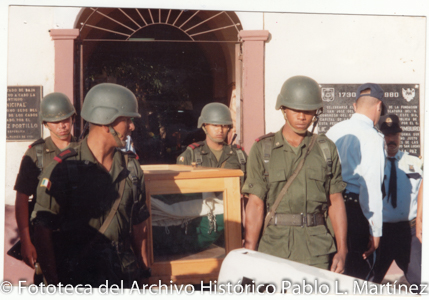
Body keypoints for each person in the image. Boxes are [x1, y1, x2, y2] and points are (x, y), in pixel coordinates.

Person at [31, 83, 150, 287]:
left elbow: (139, 226)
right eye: (127, 120)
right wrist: (53, 284)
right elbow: (43, 231)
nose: (132, 126)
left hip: (123, 277)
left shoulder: (132, 169)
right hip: (77, 278)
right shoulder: (63, 169)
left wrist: (146, 274)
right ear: (106, 123)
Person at [243, 75, 347, 273]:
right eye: (295, 110)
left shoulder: (326, 149)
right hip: (274, 247)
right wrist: (250, 251)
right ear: (283, 110)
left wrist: (342, 250)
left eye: (308, 111)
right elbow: (255, 204)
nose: (302, 117)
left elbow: (336, 201)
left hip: (316, 249)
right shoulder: (263, 149)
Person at [326, 83, 386, 280]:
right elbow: (371, 186)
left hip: (330, 208)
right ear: (378, 106)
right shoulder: (373, 137)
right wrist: (375, 230)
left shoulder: (333, 130)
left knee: (332, 273)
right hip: (355, 212)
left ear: (354, 106)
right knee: (357, 277)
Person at [13, 92, 78, 271]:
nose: (63, 125)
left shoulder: (83, 149)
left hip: (80, 237)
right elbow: (21, 200)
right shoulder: (36, 154)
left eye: (66, 119)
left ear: (73, 117)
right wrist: (26, 241)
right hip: (47, 237)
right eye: (55, 121)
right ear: (45, 123)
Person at [371, 114, 423, 287]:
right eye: (386, 135)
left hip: (409, 232)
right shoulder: (372, 164)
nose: (390, 140)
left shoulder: (415, 163)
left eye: (394, 135)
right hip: (381, 232)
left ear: (400, 136)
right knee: (368, 281)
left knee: (421, 279)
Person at [177, 102, 247, 182]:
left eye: (224, 126)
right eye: (215, 125)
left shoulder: (239, 155)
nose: (220, 130)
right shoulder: (190, 155)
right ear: (204, 127)